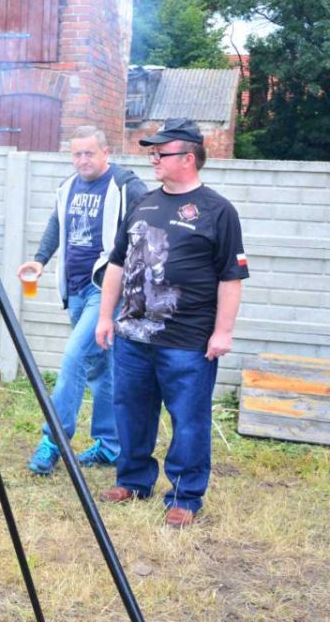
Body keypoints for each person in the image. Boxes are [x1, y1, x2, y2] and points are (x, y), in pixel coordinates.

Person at [94, 118, 248, 528]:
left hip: (187, 342)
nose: (153, 159)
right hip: (133, 336)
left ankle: (184, 496)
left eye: (161, 153)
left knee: (189, 419)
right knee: (131, 411)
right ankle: (133, 480)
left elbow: (231, 278)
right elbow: (117, 264)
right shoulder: (142, 203)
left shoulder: (218, 211)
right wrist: (106, 317)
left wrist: (223, 332)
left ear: (188, 158)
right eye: (152, 152)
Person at [18, 126, 148, 475]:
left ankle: (53, 441)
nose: (82, 160)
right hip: (74, 289)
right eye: (77, 154)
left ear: (106, 152)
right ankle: (110, 446)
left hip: (104, 290)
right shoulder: (68, 187)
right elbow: (56, 223)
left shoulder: (126, 186)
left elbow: (149, 229)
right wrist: (40, 260)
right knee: (100, 366)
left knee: (74, 357)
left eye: (89, 153)